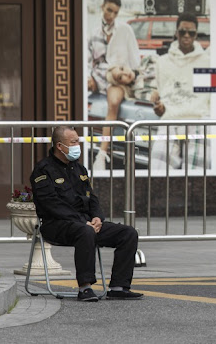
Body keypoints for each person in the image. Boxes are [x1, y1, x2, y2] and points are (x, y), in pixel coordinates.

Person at [29, 126, 143, 302]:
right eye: (73, 142)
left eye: (78, 141)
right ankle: (85, 288)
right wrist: (83, 222)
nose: (77, 145)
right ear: (60, 146)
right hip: (56, 225)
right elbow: (51, 204)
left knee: (128, 233)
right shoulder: (43, 170)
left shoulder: (79, 169)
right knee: (85, 231)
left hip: (85, 223)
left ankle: (119, 287)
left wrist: (97, 218)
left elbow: (92, 198)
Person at [145, 12, 211, 170]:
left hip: (198, 121)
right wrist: (159, 107)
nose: (186, 35)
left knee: (197, 176)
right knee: (158, 172)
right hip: (170, 121)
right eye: (182, 31)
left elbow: (211, 98)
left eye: (191, 32)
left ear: (196, 35)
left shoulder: (207, 62)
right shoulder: (162, 62)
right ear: (176, 33)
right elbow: (159, 92)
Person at [86, 0, 141, 171]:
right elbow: (88, 60)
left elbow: (134, 58)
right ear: (102, 7)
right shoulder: (93, 33)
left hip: (116, 77)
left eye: (115, 12)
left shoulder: (124, 30)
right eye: (109, 10)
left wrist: (129, 73)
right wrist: (89, 76)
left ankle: (102, 154)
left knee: (114, 103)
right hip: (98, 76)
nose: (111, 15)